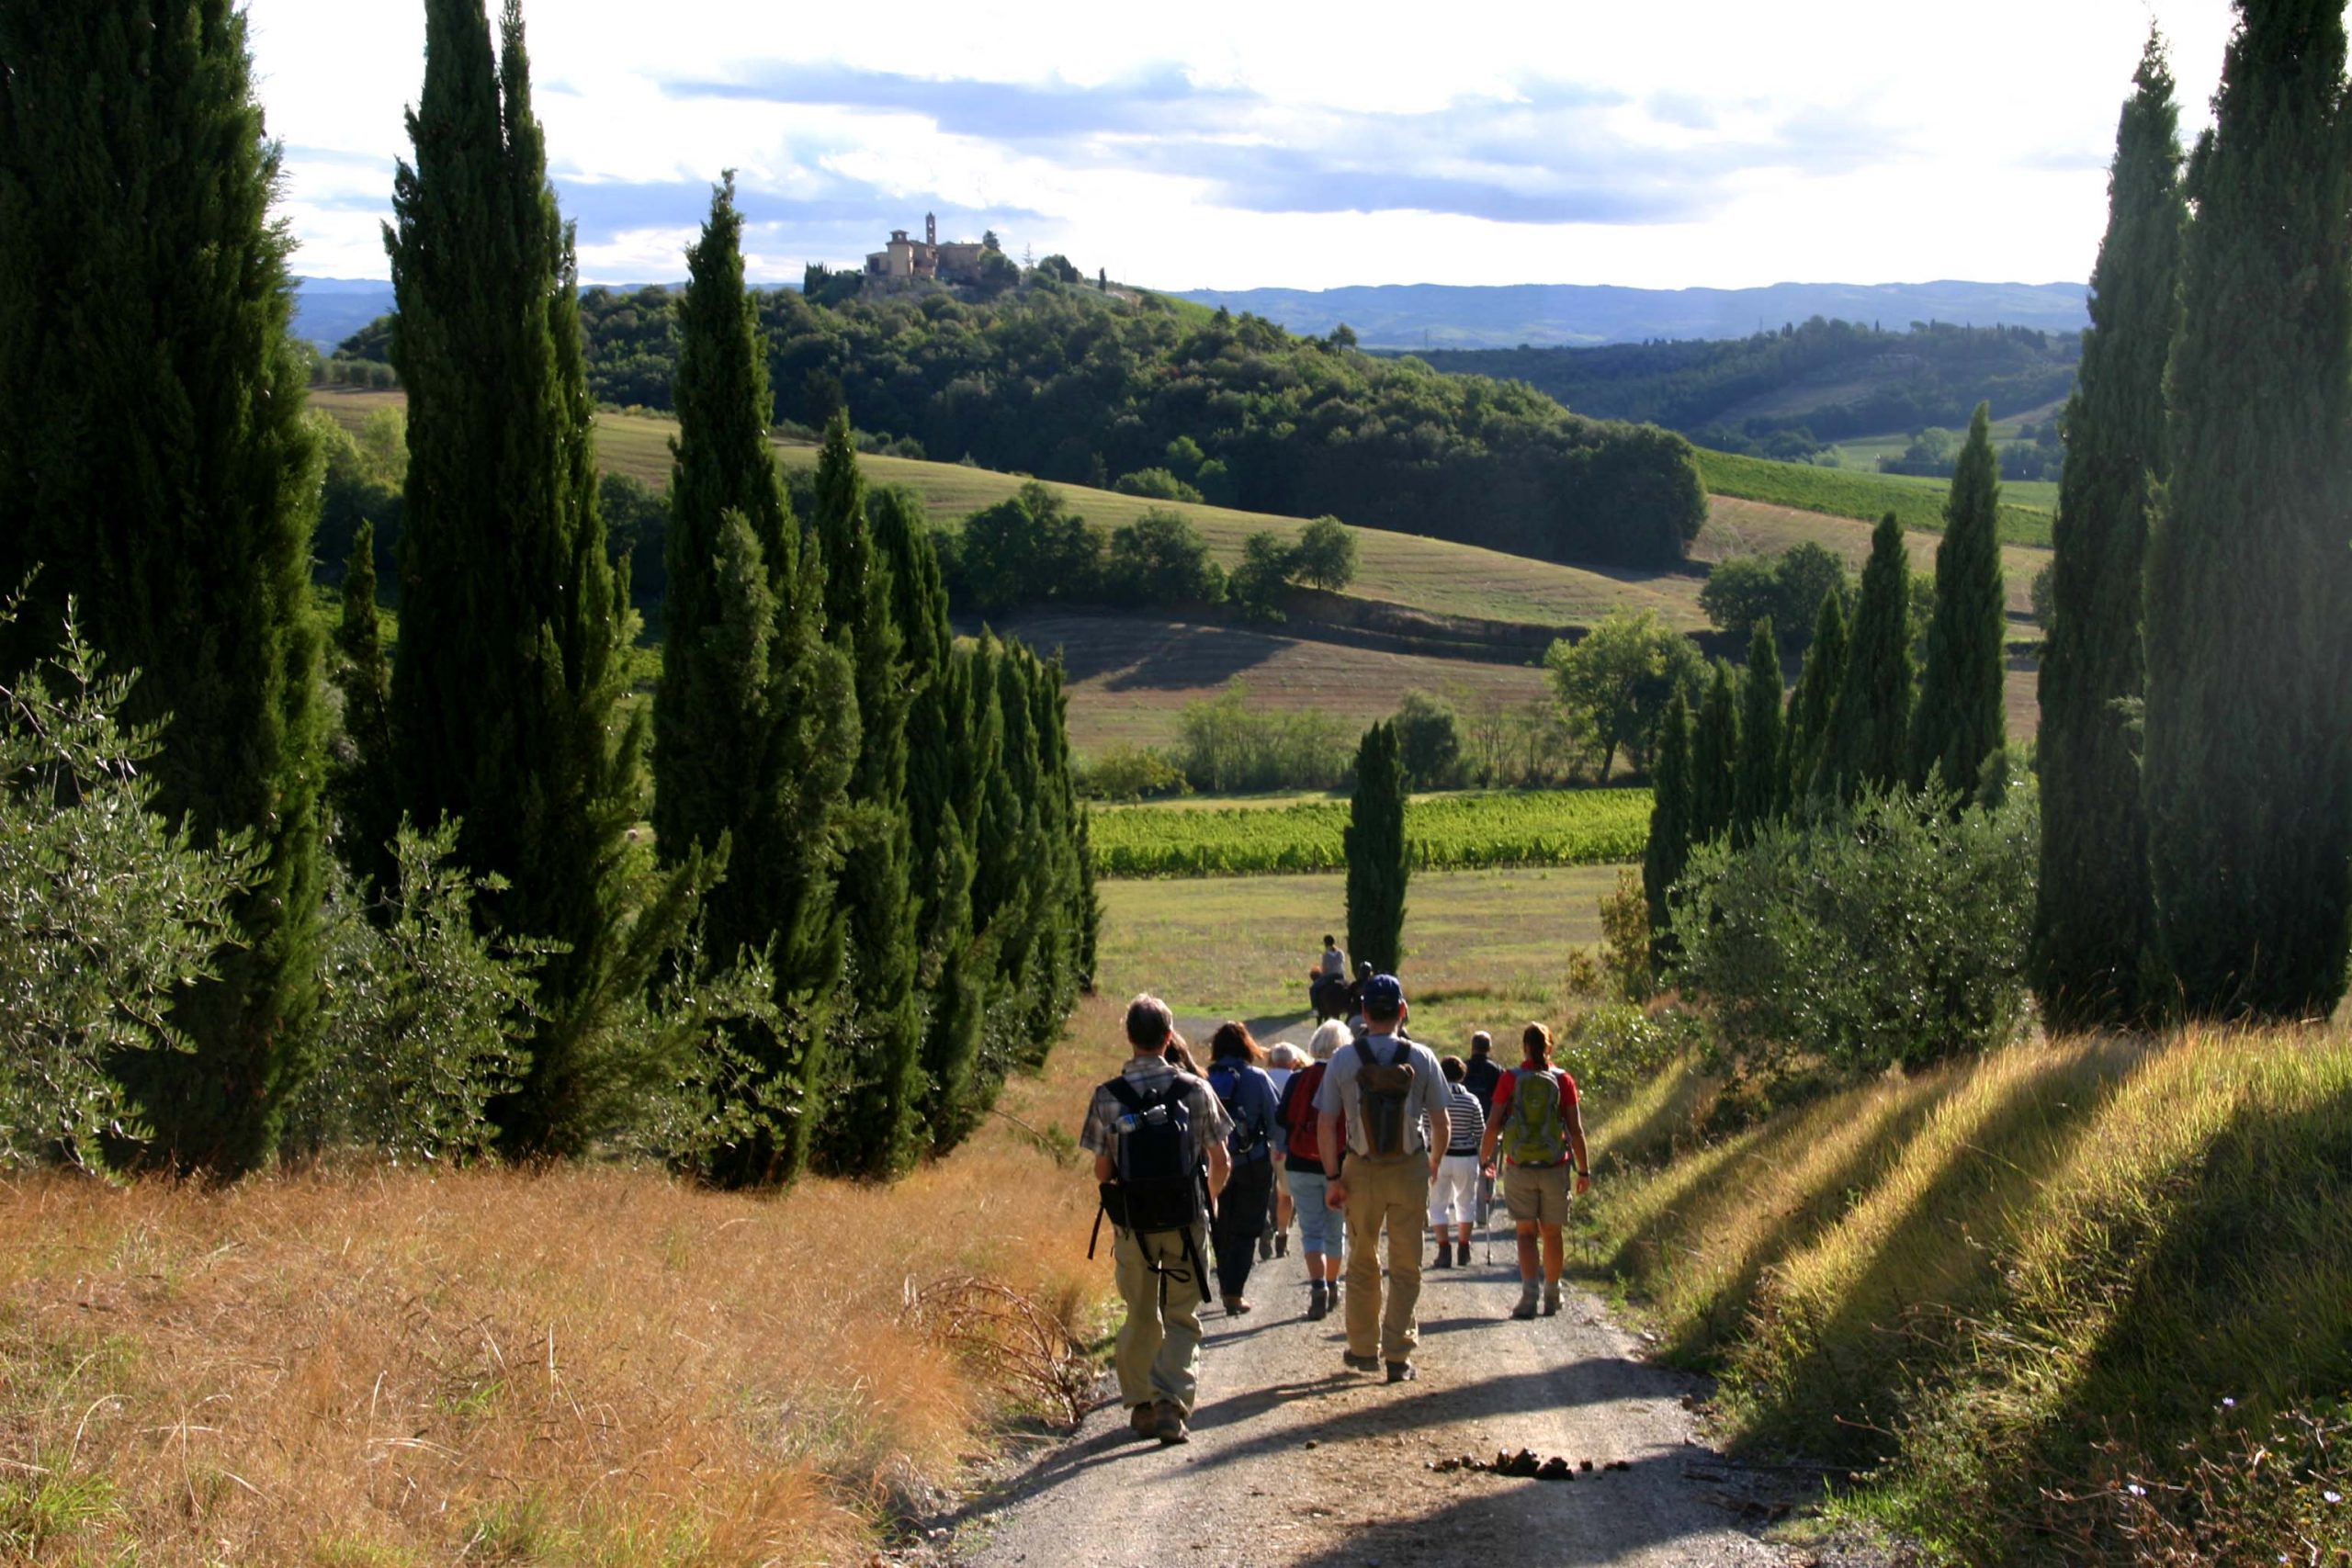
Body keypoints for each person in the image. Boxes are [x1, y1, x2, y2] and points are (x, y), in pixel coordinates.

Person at [1082, 995, 1233, 1444]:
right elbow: (1220, 1159)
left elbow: (1103, 1170)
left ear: (1129, 1038)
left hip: (1134, 1224)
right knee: (1182, 1313)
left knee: (1140, 1312)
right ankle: (1171, 1401)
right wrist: (1211, 1201)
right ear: (1169, 1038)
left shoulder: (1107, 1096)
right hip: (1186, 1219)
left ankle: (1142, 1404)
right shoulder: (1195, 1089)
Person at [1315, 976, 1449, 1382]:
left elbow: (1326, 1123)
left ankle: (1362, 1348)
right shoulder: (1423, 1058)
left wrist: (1333, 1176)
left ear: (1364, 1014)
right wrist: (1432, 1164)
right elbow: (1441, 1123)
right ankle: (1398, 1355)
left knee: (1361, 1262)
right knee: (1406, 1266)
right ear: (1402, 1011)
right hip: (1408, 1167)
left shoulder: (1342, 1060)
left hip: (1361, 1169)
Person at [1479, 1021, 1590, 1321]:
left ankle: (1529, 1297)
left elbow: (1493, 1124)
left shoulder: (1510, 1079)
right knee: (1552, 1234)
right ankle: (1552, 1294)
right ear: (1549, 1047)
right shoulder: (1563, 1079)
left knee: (1526, 1234)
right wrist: (1584, 1170)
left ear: (1525, 1047)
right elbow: (1575, 1130)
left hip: (1519, 1167)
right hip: (1555, 1166)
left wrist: (1485, 1158)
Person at [1205, 1021, 1282, 1314]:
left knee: (1219, 1224)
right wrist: (1280, 1151)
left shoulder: (1205, 1079)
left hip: (1213, 1164)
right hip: (1253, 1162)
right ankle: (1234, 1293)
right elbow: (1276, 1121)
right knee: (1247, 1227)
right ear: (1246, 1046)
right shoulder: (1257, 1078)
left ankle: (1224, 1280)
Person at [1279, 1021, 1350, 1318]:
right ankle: (1333, 1284)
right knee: (1336, 1231)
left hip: (1300, 1163)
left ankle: (1318, 1285)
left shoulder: (1298, 1079)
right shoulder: (1346, 1078)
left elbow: (1283, 1118)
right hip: (1340, 1165)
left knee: (1310, 1231)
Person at [1429, 1055, 1486, 1268]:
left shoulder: (1435, 1099)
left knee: (1438, 1203)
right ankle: (1464, 1247)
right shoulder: (1471, 1100)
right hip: (1466, 1156)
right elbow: (1480, 1131)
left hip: (1439, 1157)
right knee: (1465, 1201)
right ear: (1462, 1075)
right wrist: (1486, 1159)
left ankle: (1444, 1250)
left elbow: (1429, 1127)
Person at [1261, 1043, 1304, 1260]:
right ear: (1294, 1061)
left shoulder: (1263, 1077)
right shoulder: (1297, 1080)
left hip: (1264, 1144)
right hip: (1288, 1145)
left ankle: (1264, 1232)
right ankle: (1282, 1237)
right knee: (1285, 1194)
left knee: (1261, 1193)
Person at [1462, 1032, 1502, 1224]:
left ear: (1472, 1047)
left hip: (1463, 1128)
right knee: (1487, 1169)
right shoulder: (1497, 1070)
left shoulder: (1463, 1068)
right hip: (1489, 1129)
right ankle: (1482, 1214)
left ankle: (1465, 1213)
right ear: (1489, 1048)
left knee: (1466, 1172)